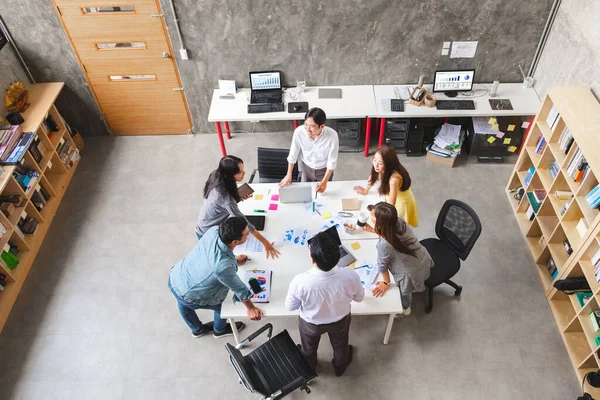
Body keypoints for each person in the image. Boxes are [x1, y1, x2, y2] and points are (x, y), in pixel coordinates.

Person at [169, 217, 264, 338]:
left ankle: (197, 329)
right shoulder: (224, 267)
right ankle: (220, 330)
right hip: (189, 293)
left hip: (176, 276)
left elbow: (212, 253)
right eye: (246, 235)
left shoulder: (214, 230)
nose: (248, 235)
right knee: (223, 308)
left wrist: (233, 259)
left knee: (182, 302)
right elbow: (239, 288)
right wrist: (250, 308)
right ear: (235, 242)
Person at [285, 231, 364, 376]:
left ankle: (310, 368)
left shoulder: (300, 281)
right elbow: (359, 298)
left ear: (313, 260)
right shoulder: (350, 276)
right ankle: (340, 367)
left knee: (308, 348)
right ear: (338, 256)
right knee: (341, 345)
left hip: (311, 323)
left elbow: (290, 306)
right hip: (340, 320)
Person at [196, 155, 280, 260]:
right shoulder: (224, 197)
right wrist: (265, 243)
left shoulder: (217, 174)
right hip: (208, 231)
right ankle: (235, 260)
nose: (244, 173)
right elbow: (244, 222)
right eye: (239, 172)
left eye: (242, 169)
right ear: (229, 175)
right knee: (220, 257)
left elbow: (224, 200)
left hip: (206, 221)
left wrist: (238, 196)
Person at [366, 202, 433, 315]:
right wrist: (374, 230)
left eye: (373, 215)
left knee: (404, 293)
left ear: (380, 222)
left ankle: (406, 308)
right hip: (423, 258)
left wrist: (386, 282)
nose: (370, 215)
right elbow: (389, 230)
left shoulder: (384, 244)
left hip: (410, 274)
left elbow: (382, 266)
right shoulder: (399, 220)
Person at [353, 145, 419, 227]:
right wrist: (365, 191)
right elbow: (373, 176)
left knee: (396, 227)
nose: (376, 165)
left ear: (388, 164)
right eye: (374, 160)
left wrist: (380, 217)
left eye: (380, 163)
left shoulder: (394, 179)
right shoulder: (380, 167)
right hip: (392, 197)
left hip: (402, 204)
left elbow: (391, 206)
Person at [279, 107, 339, 193]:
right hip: (306, 167)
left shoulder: (332, 136)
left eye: (312, 126)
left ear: (322, 126)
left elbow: (332, 161)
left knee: (324, 194)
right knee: (309, 192)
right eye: (306, 124)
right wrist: (289, 174)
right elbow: (293, 154)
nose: (307, 129)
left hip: (324, 170)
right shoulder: (299, 132)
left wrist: (325, 182)